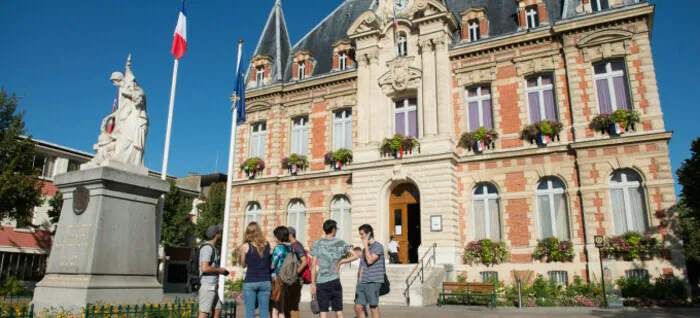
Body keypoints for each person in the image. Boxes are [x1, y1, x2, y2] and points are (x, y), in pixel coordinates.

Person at [338, 224, 385, 318]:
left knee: (373, 307)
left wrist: (366, 246)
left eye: (362, 234)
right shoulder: (365, 249)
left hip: (373, 280)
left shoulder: (378, 246)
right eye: (360, 234)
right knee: (358, 307)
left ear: (369, 234)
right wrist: (342, 261)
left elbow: (370, 260)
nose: (361, 237)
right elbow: (360, 258)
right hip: (362, 281)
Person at [309, 220, 352, 318]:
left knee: (323, 312)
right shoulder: (340, 243)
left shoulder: (317, 243)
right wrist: (341, 262)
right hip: (334, 280)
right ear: (333, 230)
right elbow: (356, 255)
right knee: (339, 311)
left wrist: (313, 283)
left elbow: (313, 265)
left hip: (321, 282)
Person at [239, 222, 272, 318]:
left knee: (250, 311)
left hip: (250, 280)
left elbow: (243, 264)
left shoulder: (245, 246)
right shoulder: (266, 244)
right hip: (265, 280)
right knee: (264, 310)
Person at [198, 224, 230, 318]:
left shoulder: (212, 248)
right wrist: (220, 270)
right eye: (220, 232)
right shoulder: (208, 248)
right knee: (204, 313)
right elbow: (205, 268)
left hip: (212, 286)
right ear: (217, 234)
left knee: (218, 309)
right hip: (207, 286)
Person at [270, 226, 293, 318]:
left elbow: (273, 265)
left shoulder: (279, 248)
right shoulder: (290, 248)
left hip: (277, 280)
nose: (274, 238)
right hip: (286, 279)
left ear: (278, 236)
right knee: (281, 308)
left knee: (275, 307)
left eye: (275, 236)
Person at [287, 227, 308, 318]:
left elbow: (304, 261)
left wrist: (295, 273)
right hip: (293, 279)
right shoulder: (292, 245)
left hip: (297, 279)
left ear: (290, 235)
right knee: (290, 304)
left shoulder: (297, 246)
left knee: (293, 305)